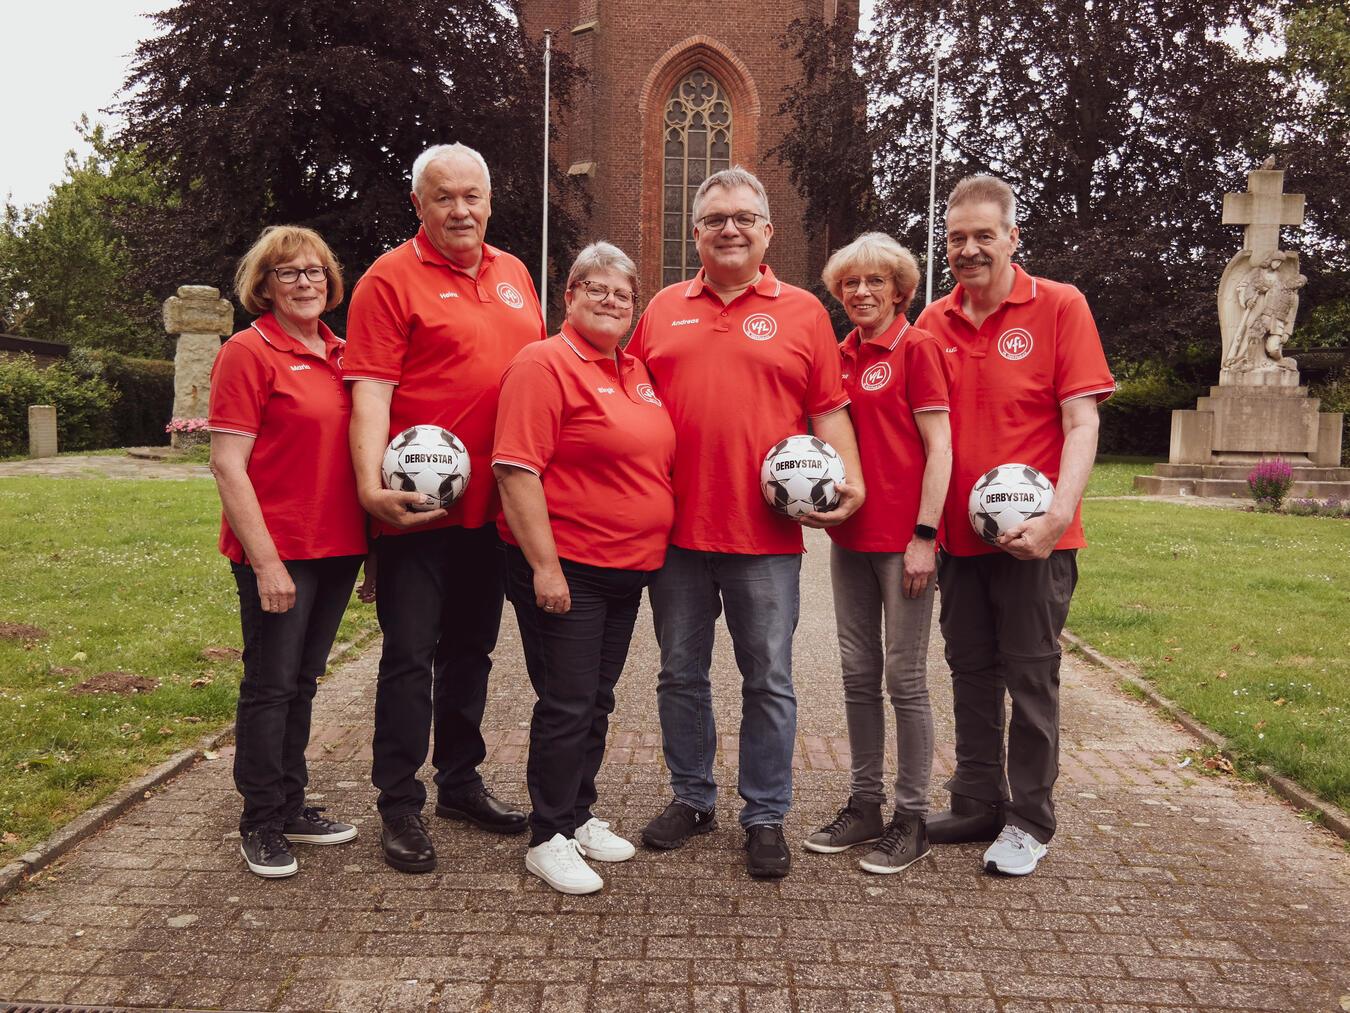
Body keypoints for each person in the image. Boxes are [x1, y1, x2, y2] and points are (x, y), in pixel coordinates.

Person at [628, 166, 865, 879]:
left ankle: (765, 814)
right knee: (679, 674)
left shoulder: (802, 313)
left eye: (742, 217)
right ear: (694, 232)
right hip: (674, 533)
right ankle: (692, 798)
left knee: (769, 678)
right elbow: (625, 403)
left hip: (765, 539)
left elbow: (829, 409)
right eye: (714, 218)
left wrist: (847, 478)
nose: (728, 228)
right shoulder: (662, 308)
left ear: (767, 231)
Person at [344, 143, 546, 874]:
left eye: (472, 196)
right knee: (407, 658)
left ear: (489, 202)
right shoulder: (387, 280)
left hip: (493, 512)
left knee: (472, 653)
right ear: (418, 205)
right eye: (444, 197)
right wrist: (372, 489)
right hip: (415, 513)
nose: (460, 210)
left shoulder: (517, 274)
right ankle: (399, 802)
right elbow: (369, 392)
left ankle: (459, 781)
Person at [916, 174, 1114, 876]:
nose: (968, 250)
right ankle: (976, 800)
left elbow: (1081, 421)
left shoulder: (1060, 306)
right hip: (962, 543)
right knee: (970, 672)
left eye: (982, 236)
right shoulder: (932, 323)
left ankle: (1030, 819)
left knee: (1030, 680)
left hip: (1038, 542)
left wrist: (1057, 517)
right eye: (956, 238)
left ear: (1012, 238)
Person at [493, 242, 676, 895]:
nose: (609, 300)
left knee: (595, 699)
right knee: (567, 702)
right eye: (594, 288)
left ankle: (577, 813)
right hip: (568, 564)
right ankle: (547, 836)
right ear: (569, 295)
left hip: (626, 569)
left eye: (621, 293)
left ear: (634, 308)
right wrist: (545, 566)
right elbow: (516, 470)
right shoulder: (544, 364)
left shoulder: (637, 371)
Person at [208, 225, 367, 878]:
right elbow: (226, 464)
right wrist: (266, 560)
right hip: (279, 549)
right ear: (263, 286)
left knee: (303, 680)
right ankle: (261, 819)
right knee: (271, 685)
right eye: (289, 273)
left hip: (337, 548)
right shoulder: (249, 353)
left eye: (316, 271)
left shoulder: (344, 353)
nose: (306, 282)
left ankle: (292, 803)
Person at [803, 233, 953, 874]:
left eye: (875, 283)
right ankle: (864, 805)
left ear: (900, 289)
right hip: (851, 539)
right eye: (849, 285)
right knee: (857, 676)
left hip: (904, 544)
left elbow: (940, 447)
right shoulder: (839, 354)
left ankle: (911, 816)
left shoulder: (917, 348)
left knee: (905, 679)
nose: (861, 293)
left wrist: (926, 536)